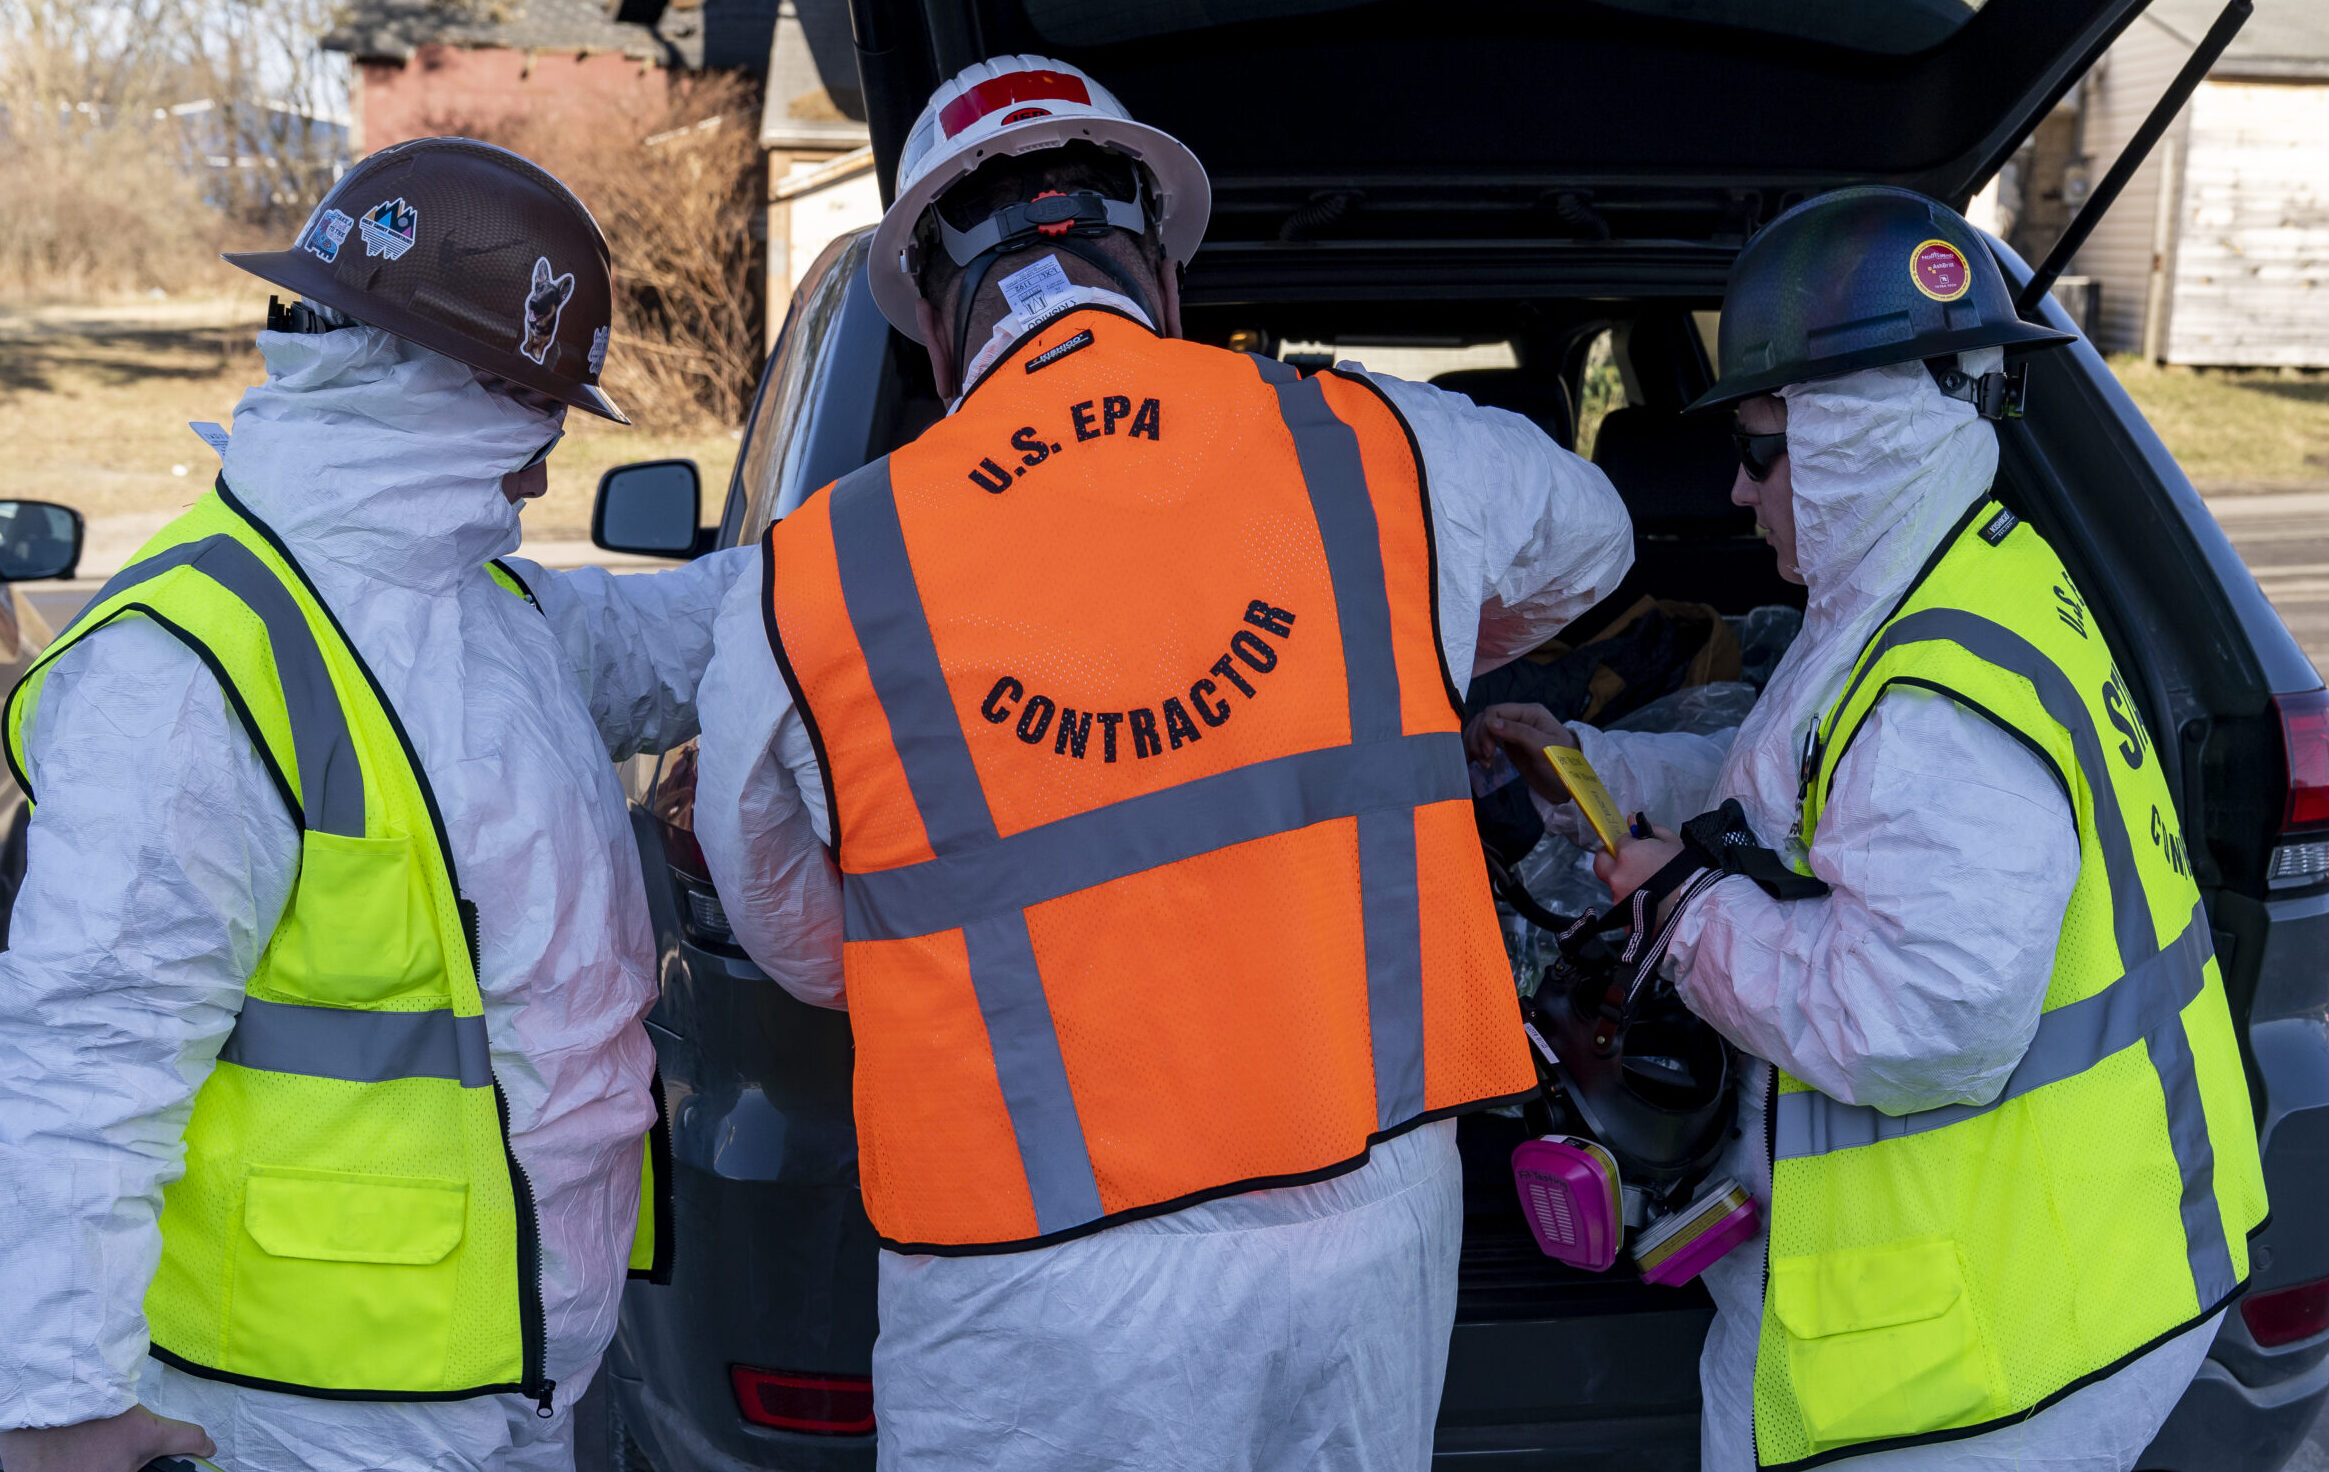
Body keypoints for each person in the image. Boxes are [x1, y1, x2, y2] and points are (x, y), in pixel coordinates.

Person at [691, 54, 1634, 1470]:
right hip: (1366, 1213)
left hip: (1033, 1260)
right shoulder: (1376, 443)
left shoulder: (828, 565)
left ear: (937, 322)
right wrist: (1422, 645)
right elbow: (1598, 541)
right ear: (1157, 266)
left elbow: (793, 927)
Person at [1477, 186, 2268, 1471]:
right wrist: (1596, 768)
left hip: (1999, 1333)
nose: (1735, 492)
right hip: (2037, 1262)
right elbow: (1789, 794)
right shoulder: (1937, 582)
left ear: (1856, 435)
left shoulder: (1932, 697)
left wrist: (1682, 911)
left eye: (1758, 449)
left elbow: (1922, 1019)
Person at [0, 138, 749, 1472]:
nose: (545, 459)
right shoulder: (194, 666)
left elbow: (674, 644)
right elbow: (83, 1050)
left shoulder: (481, 609)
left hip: (512, 1372)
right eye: (538, 407)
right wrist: (53, 1400)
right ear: (462, 387)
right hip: (301, 1407)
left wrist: (899, 538)